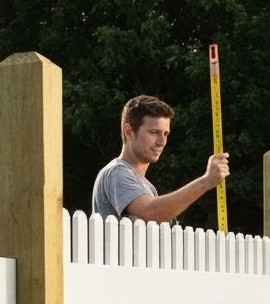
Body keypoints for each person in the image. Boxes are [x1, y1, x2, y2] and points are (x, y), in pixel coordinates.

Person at [91, 95, 229, 222]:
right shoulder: (117, 172)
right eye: (154, 132)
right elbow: (150, 213)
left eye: (165, 133)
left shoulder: (148, 187)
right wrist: (205, 182)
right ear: (129, 132)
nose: (162, 141)